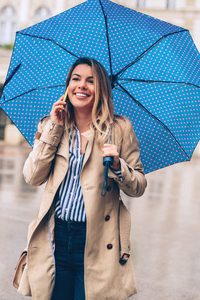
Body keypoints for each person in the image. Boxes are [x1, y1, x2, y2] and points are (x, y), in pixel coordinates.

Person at [13, 57, 147, 300]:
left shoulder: (119, 130)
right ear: (68, 86)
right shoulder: (51, 125)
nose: (81, 86)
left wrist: (119, 166)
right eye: (76, 79)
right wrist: (53, 128)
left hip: (97, 238)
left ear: (102, 90)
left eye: (91, 81)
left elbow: (138, 186)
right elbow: (33, 176)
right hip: (56, 236)